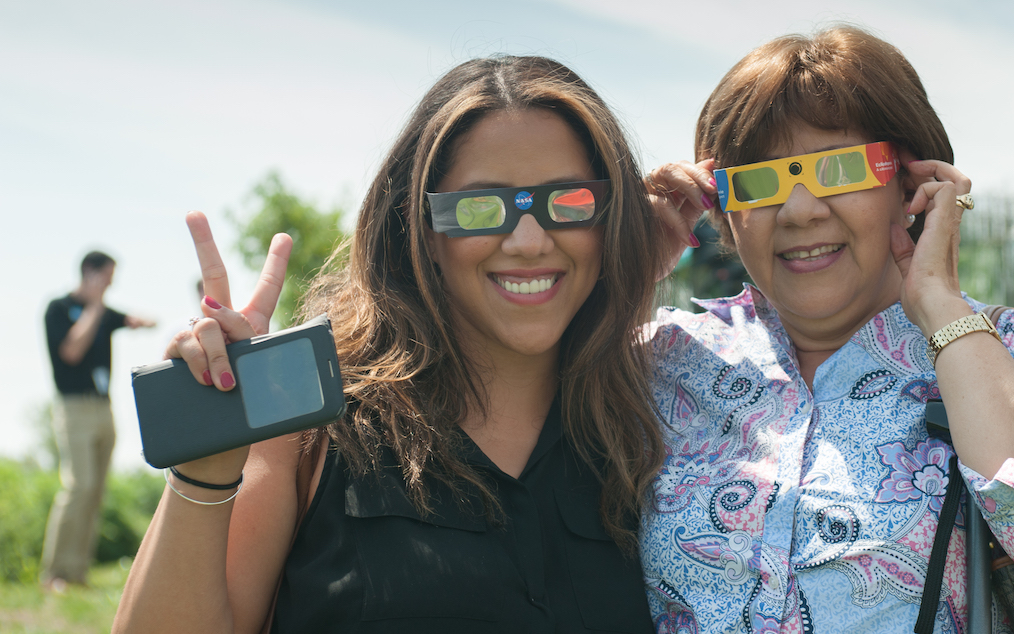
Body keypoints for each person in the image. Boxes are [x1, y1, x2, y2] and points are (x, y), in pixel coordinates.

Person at [113, 56, 666, 634]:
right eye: (481, 208)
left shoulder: (659, 426)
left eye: (569, 202)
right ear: (421, 229)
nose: (529, 241)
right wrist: (204, 465)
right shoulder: (307, 426)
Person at [643, 25, 1014, 633]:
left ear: (909, 181)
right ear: (722, 205)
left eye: (838, 171)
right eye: (759, 181)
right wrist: (629, 269)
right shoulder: (659, 360)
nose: (800, 210)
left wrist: (940, 306)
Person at [42, 251, 155, 591]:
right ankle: (55, 573)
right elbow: (72, 351)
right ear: (89, 273)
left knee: (96, 491)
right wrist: (94, 306)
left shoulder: (106, 314)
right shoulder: (59, 309)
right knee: (78, 486)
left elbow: (134, 320)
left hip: (103, 408)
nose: (111, 283)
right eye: (106, 276)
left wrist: (144, 322)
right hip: (74, 409)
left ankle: (77, 572)